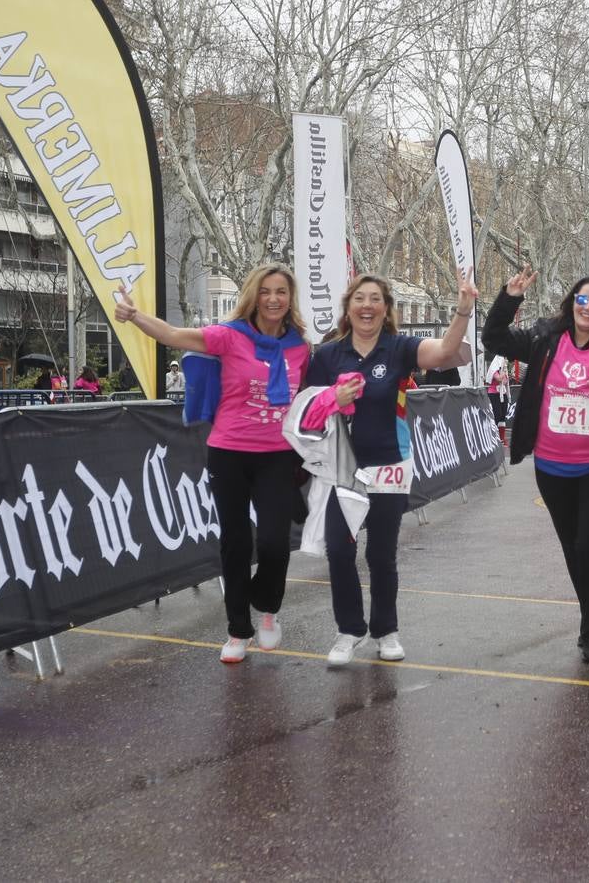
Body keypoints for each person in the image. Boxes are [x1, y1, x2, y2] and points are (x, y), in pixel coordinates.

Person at [114, 264, 310, 664]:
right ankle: (239, 630)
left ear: (290, 300)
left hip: (277, 454)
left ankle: (267, 606)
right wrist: (134, 316)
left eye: (282, 292)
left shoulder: (300, 348)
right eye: (266, 291)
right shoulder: (229, 336)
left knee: (275, 542)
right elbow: (171, 335)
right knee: (235, 542)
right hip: (230, 451)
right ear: (254, 296)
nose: (274, 299)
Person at [482, 268, 589, 663]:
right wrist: (508, 298)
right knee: (573, 549)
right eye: (583, 300)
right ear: (572, 303)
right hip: (551, 466)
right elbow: (493, 339)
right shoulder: (545, 337)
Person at [303, 271, 477, 667]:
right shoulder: (328, 355)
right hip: (341, 468)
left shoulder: (399, 348)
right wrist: (333, 397)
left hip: (389, 466)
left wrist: (464, 310)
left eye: (375, 299)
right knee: (340, 552)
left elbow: (447, 351)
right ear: (348, 308)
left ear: (386, 309)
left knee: (381, 555)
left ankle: (386, 631)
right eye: (359, 299)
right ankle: (349, 629)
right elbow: (308, 409)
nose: (367, 306)